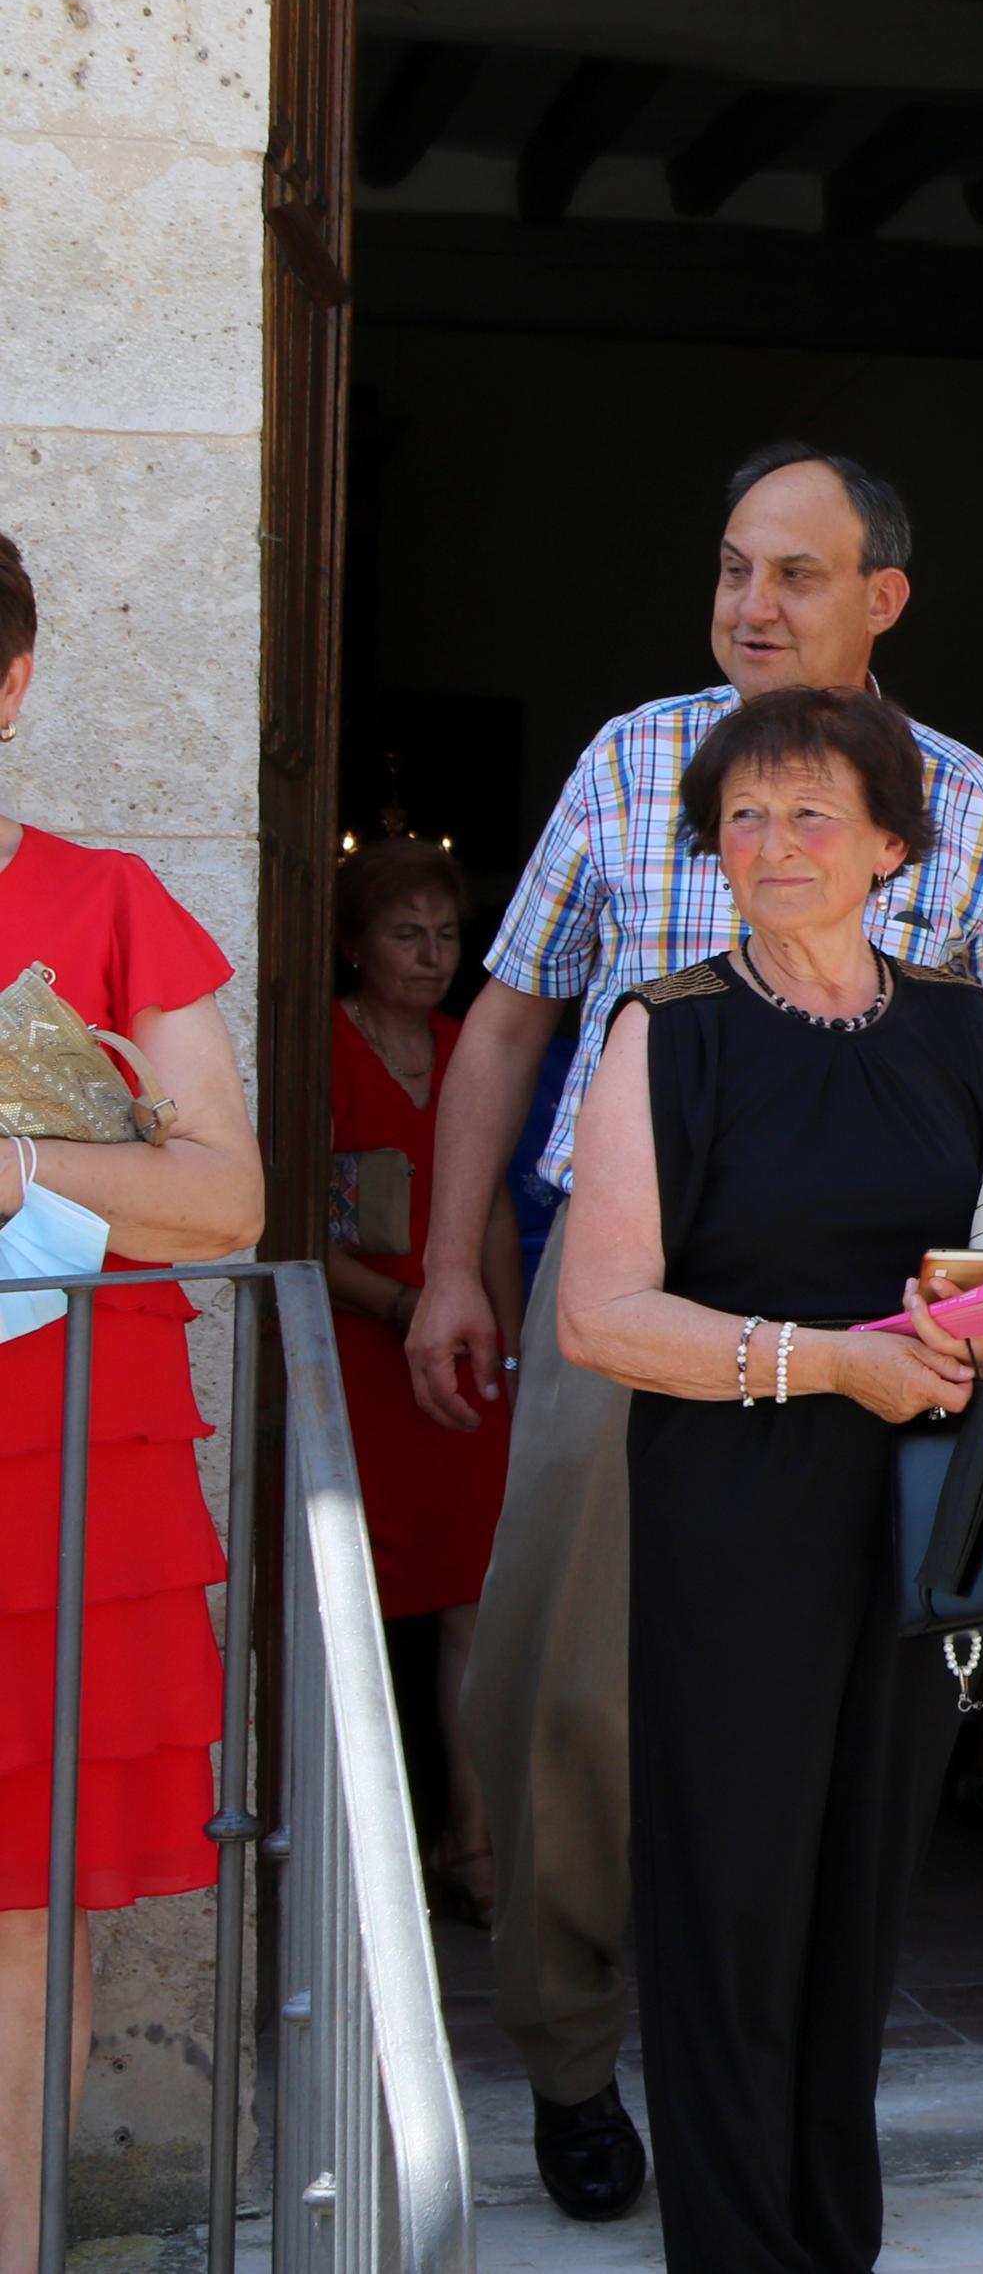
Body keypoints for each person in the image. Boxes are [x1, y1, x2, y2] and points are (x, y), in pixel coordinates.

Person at [404, 442, 983, 2219]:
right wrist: (457, 1262)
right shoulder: (636, 761)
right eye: (730, 568)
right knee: (562, 1704)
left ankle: (798, 2118)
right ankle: (575, 2061)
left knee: (860, 1735)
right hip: (626, 1308)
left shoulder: (970, 802)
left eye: (794, 573)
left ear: (884, 599)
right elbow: (502, 1023)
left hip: (903, 1359)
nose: (749, 605)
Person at [557, 684, 983, 2274]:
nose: (772, 844)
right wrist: (828, 1356)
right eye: (745, 816)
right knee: (730, 1902)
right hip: (734, 1512)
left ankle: (829, 2239)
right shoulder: (667, 1027)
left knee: (854, 1904)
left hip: (910, 1515)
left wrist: (971, 1322)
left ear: (891, 844)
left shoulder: (957, 1019)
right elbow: (601, 1312)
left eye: (809, 814)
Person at [0, 534, 264, 2274]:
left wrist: (14, 1159)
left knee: (22, 1914)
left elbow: (227, 1200)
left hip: (50, 1462)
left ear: (11, 683)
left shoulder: (105, 906)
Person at [322, 836, 522, 1922]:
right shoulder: (325, 1050)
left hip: (458, 1364)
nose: (432, 953)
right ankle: (359, 1860)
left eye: (446, 934)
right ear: (355, 944)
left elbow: (490, 1206)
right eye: (407, 933)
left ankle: (475, 1843)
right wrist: (405, 1310)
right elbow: (304, 1223)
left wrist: (508, 1339)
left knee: (474, 1609)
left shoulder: (466, 1048)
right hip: (357, 1358)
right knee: (352, 1613)